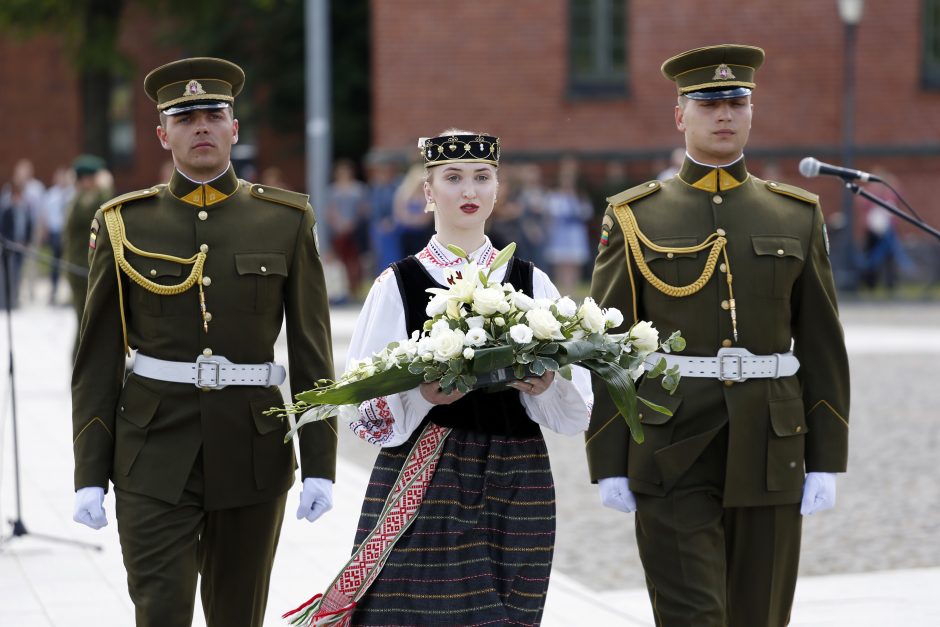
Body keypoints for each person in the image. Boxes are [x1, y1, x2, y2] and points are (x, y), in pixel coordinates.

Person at [585, 45, 850, 626]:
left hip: (772, 443)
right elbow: (610, 347)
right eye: (707, 103)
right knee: (692, 616)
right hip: (670, 442)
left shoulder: (796, 215)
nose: (723, 114)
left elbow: (822, 343)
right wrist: (607, 456)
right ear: (680, 115)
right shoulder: (634, 215)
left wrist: (827, 455)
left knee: (761, 614)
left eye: (736, 101)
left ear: (753, 112)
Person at [70, 57, 336, 627]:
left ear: (234, 127)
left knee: (237, 615)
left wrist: (320, 460)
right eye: (185, 117)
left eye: (214, 114)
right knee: (160, 612)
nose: (201, 126)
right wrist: (89, 472)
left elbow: (312, 347)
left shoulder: (285, 220)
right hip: (151, 450)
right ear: (163, 134)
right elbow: (95, 360)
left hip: (252, 447)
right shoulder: (124, 222)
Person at [321, 130, 592, 625]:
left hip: (519, 473)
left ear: (497, 190)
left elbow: (576, 408)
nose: (469, 191)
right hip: (429, 470)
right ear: (427, 193)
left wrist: (545, 386)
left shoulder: (533, 282)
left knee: (512, 612)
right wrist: (421, 396)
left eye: (481, 178)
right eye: (453, 178)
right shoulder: (398, 284)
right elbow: (364, 404)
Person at [62, 155, 109, 359]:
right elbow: (103, 211)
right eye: (94, 177)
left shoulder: (79, 199)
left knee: (90, 319)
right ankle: (79, 363)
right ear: (85, 179)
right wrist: (106, 189)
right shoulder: (82, 202)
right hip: (81, 271)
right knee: (86, 319)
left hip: (84, 268)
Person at [40, 166, 75, 305]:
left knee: (68, 263)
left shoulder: (71, 194)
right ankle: (53, 290)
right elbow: (45, 214)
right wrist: (44, 231)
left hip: (66, 232)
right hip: (55, 231)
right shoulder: (51, 194)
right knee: (55, 263)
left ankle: (69, 292)